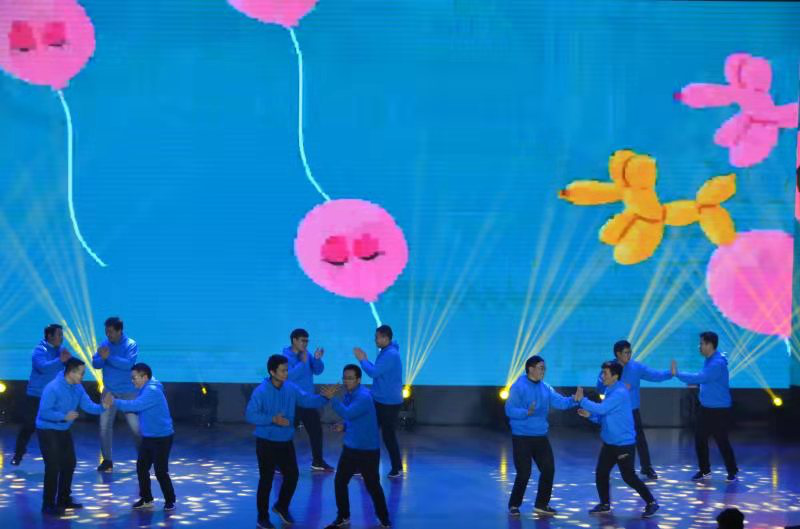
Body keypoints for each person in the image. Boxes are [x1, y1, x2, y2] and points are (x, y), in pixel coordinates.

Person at [246, 354, 330, 529]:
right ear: (272, 372)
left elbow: (307, 399)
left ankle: (281, 506)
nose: (286, 373)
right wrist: (272, 419)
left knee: (292, 475)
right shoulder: (261, 391)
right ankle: (262, 518)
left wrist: (325, 398)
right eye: (283, 370)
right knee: (266, 480)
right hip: (266, 442)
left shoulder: (290, 388)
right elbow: (251, 415)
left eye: (287, 370)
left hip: (285, 441)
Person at [577, 360, 659, 518]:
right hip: (610, 443)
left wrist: (582, 400)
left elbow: (603, 409)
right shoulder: (610, 390)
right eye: (602, 373)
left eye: (605, 373)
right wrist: (590, 416)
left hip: (623, 444)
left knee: (629, 477)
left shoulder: (620, 392)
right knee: (601, 473)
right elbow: (605, 416)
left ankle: (651, 502)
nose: (602, 376)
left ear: (615, 376)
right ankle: (605, 504)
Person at [505, 355, 580, 516]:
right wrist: (526, 412)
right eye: (541, 368)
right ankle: (514, 505)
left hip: (540, 436)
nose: (543, 371)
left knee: (548, 469)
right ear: (530, 369)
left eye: (544, 368)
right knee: (524, 473)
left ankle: (541, 504)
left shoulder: (546, 388)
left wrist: (574, 399)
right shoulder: (518, 387)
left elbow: (560, 402)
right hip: (522, 437)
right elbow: (509, 410)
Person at [321, 365, 391, 529]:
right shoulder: (350, 394)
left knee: (372, 486)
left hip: (367, 451)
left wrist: (332, 398)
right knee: (340, 482)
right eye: (345, 378)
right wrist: (345, 426)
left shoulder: (363, 396)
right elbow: (355, 418)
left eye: (350, 378)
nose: (346, 381)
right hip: (351, 448)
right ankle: (343, 516)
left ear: (358, 380)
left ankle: (384, 520)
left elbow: (348, 413)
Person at [36, 357, 107, 516]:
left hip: (63, 429)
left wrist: (104, 407)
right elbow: (44, 413)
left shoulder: (77, 387)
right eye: (81, 373)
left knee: (69, 463)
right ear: (71, 372)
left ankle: (64, 499)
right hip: (47, 429)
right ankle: (48, 505)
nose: (83, 376)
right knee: (53, 466)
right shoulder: (52, 388)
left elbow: (88, 406)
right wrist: (63, 416)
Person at [596, 340, 672, 480]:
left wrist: (670, 373)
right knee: (610, 439)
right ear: (618, 354)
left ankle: (646, 467)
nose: (629, 355)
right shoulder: (609, 368)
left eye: (630, 352)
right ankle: (606, 468)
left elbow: (654, 375)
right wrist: (615, 389)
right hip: (613, 412)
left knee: (640, 439)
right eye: (626, 352)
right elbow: (600, 387)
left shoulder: (636, 367)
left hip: (632, 411)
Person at [104, 363, 176, 511]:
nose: (132, 381)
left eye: (134, 378)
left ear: (145, 377)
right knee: (141, 468)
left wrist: (114, 402)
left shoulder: (152, 390)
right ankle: (146, 499)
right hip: (149, 437)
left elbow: (136, 406)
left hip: (162, 438)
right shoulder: (145, 389)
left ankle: (170, 500)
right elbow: (139, 408)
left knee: (160, 471)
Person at [672, 331, 739, 481]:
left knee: (721, 441)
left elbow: (702, 377)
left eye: (702, 343)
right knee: (700, 439)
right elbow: (705, 379)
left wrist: (678, 374)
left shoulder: (717, 363)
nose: (699, 346)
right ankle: (705, 471)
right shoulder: (710, 360)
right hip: (706, 408)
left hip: (719, 409)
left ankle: (732, 471)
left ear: (710, 345)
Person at [12, 324, 71, 466]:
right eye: (59, 335)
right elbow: (43, 367)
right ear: (50, 336)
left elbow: (69, 365)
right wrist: (60, 360)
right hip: (36, 395)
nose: (62, 338)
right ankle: (18, 454)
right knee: (29, 426)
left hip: (53, 396)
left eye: (62, 335)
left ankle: (58, 456)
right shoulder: (39, 350)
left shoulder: (61, 350)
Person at [354, 324, 403, 478]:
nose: (375, 340)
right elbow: (379, 371)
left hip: (387, 403)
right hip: (382, 400)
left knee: (386, 436)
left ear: (385, 338)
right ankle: (365, 467)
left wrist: (362, 360)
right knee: (373, 434)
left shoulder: (390, 354)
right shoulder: (387, 352)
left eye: (377, 337)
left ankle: (396, 467)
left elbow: (374, 372)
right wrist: (366, 360)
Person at [92, 316, 140, 472]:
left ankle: (143, 458)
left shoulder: (131, 344)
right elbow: (96, 364)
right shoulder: (104, 344)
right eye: (106, 331)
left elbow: (128, 365)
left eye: (111, 331)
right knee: (104, 426)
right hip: (109, 391)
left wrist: (109, 357)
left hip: (128, 392)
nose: (108, 334)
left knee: (136, 427)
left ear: (120, 331)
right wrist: (101, 358)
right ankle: (107, 460)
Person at [282, 328, 333, 472]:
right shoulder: (285, 357)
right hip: (292, 402)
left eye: (307, 341)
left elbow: (318, 370)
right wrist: (303, 363)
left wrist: (316, 359)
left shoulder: (307, 354)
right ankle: (280, 463)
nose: (305, 344)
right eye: (303, 341)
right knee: (286, 434)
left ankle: (318, 461)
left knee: (316, 432)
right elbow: (287, 376)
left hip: (308, 401)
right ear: (294, 340)